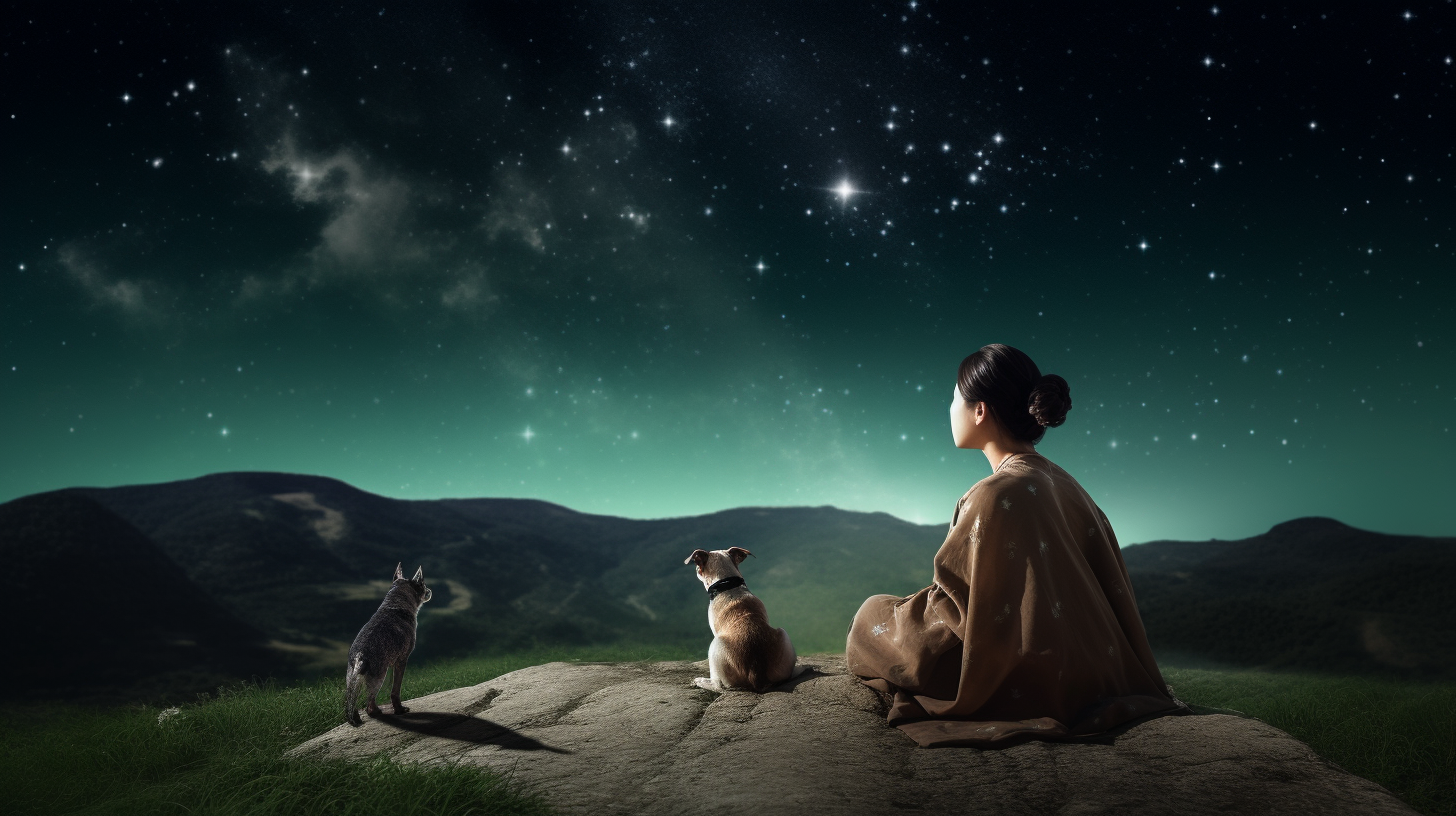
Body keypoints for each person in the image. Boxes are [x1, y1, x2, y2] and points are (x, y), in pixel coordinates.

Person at [846, 344, 1186, 747]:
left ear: (980, 410)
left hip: (1019, 670)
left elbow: (956, 608)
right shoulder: (1069, 486)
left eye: (954, 397)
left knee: (873, 613)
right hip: (1096, 668)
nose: (949, 409)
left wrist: (898, 619)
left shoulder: (993, 493)